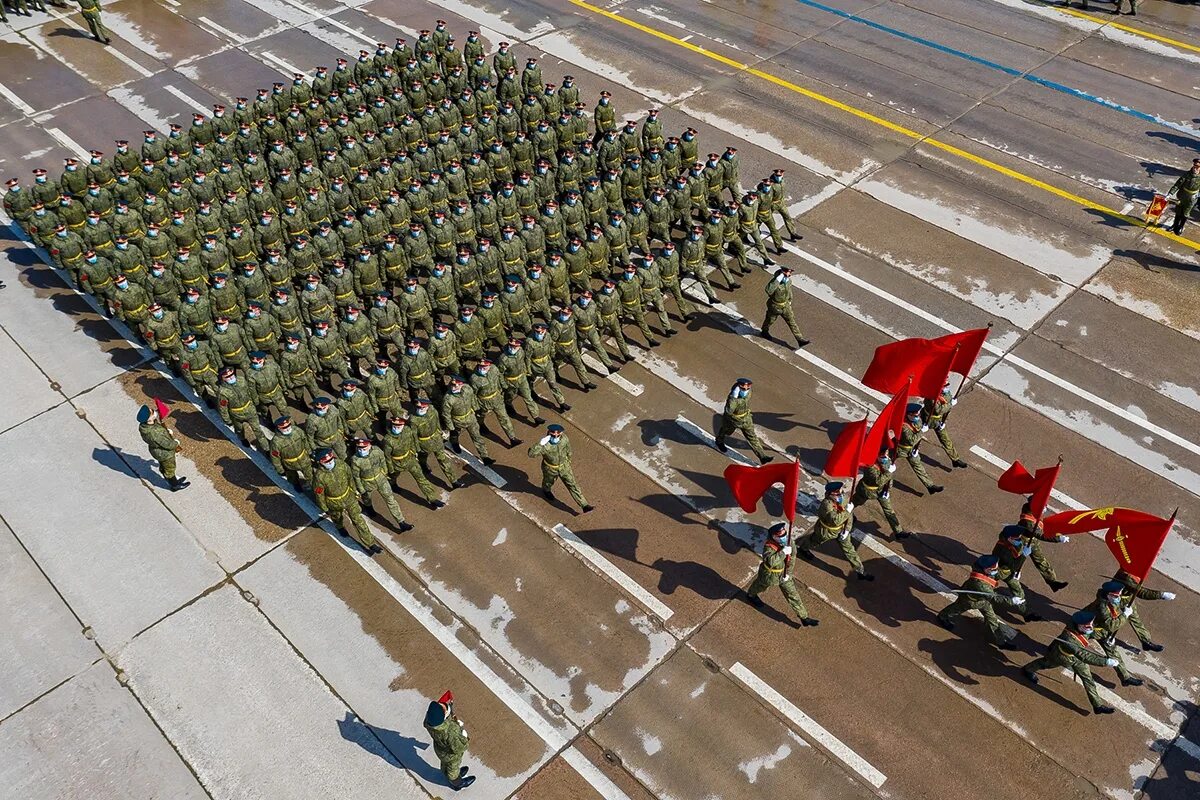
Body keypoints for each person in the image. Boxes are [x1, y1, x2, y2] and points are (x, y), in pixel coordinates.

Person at [1023, 609, 1118, 716]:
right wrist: (1106, 662)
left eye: (1091, 624)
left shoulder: (1082, 628)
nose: (1091, 627)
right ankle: (1027, 669)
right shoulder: (1069, 638)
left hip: (1076, 659)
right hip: (1062, 656)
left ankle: (1098, 706)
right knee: (1045, 664)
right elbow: (1084, 655)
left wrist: (1108, 637)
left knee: (1088, 679)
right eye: (1088, 626)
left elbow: (1095, 632)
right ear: (1080, 626)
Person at [936, 554, 1023, 648]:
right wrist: (1012, 601)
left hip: (982, 601)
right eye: (993, 569)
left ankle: (1001, 642)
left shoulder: (986, 571)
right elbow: (994, 597)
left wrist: (1012, 572)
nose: (996, 571)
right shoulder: (979, 584)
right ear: (987, 569)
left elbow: (1000, 574)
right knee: (957, 608)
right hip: (971, 600)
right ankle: (942, 616)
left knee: (992, 619)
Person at [745, 521, 819, 627]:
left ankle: (804, 617)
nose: (784, 537)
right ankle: (751, 595)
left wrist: (788, 573)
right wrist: (783, 552)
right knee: (760, 586)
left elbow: (792, 558)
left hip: (784, 574)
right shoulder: (769, 547)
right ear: (773, 537)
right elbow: (770, 561)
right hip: (769, 574)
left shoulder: (789, 543)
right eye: (780, 536)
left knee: (793, 595)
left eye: (784, 535)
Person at [796, 481, 872, 580]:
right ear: (831, 494)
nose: (840, 494)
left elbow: (849, 516)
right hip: (826, 531)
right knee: (814, 541)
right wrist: (847, 511)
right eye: (837, 493)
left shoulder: (843, 499)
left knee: (850, 551)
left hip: (841, 530)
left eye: (840, 492)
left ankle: (860, 571)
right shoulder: (826, 505)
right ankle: (803, 548)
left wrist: (847, 530)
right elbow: (835, 520)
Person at [313, 448, 379, 553]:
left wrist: (353, 491)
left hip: (349, 498)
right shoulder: (319, 477)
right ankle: (340, 527)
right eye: (327, 462)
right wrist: (325, 508)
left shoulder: (341, 465)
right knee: (337, 517)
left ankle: (371, 543)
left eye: (331, 460)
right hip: (333, 503)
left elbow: (350, 477)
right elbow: (319, 494)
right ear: (320, 462)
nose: (330, 462)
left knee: (358, 520)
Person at [1085, 581, 1143, 687]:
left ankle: (1125, 678)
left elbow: (1112, 619)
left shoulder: (1111, 601)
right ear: (1109, 595)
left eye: (1119, 595)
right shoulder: (1101, 606)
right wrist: (1125, 615)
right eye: (1116, 596)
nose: (1119, 597)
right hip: (1089, 629)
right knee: (1074, 646)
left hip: (1103, 630)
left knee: (1114, 653)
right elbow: (1112, 625)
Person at [527, 423, 593, 512]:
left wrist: (568, 462)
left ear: (561, 433)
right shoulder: (545, 445)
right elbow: (531, 454)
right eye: (553, 432)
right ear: (549, 432)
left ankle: (584, 505)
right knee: (548, 482)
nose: (555, 434)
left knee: (572, 485)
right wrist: (540, 444)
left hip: (564, 467)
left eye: (558, 433)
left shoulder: (564, 439)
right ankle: (546, 490)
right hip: (550, 468)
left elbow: (568, 451)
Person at [1111, 568, 1175, 652]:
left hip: (1126, 597)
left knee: (1135, 619)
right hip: (1114, 598)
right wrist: (1162, 595)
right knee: (1111, 618)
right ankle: (1104, 635)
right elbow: (1141, 592)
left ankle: (1146, 642)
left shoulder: (1135, 568)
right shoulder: (1126, 576)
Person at [424, 691, 476, 791]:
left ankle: (446, 774)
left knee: (444, 765)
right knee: (453, 769)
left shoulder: (429, 722)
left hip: (440, 750)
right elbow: (460, 748)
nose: (443, 705)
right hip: (451, 756)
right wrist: (464, 738)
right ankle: (458, 783)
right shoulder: (451, 731)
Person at [714, 377, 773, 465]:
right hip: (732, 420)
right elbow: (729, 411)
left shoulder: (748, 392)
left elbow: (747, 393)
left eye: (747, 388)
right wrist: (734, 397)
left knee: (752, 437)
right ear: (738, 387)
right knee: (725, 431)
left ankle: (762, 457)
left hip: (746, 419)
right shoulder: (732, 399)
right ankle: (719, 441)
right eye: (743, 388)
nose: (745, 390)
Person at [136, 400, 189, 491]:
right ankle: (174, 485)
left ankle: (173, 480)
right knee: (170, 468)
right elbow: (167, 444)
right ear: (149, 419)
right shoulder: (153, 433)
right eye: (152, 412)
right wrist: (176, 443)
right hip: (164, 453)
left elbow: (159, 432)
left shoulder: (146, 425)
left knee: (165, 467)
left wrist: (166, 432)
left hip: (159, 452)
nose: (154, 411)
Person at [852, 450, 905, 538]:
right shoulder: (870, 466)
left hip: (882, 491)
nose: (886, 456)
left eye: (887, 453)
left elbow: (889, 479)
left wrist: (888, 489)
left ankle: (898, 532)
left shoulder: (887, 460)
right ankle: (845, 516)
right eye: (883, 454)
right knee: (853, 504)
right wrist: (889, 472)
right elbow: (878, 481)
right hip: (867, 491)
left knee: (889, 510)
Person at [895, 402, 943, 495]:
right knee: (885, 464)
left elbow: (917, 438)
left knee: (918, 467)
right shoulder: (904, 426)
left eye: (918, 414)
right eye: (915, 415)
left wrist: (917, 448)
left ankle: (930, 486)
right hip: (900, 449)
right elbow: (911, 440)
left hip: (912, 450)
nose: (917, 417)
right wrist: (921, 432)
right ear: (909, 415)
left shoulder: (918, 420)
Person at [760, 265, 808, 348]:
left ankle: (800, 339)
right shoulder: (775, 281)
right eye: (789, 272)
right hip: (775, 306)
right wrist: (779, 279)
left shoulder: (788, 281)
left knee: (792, 322)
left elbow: (789, 291)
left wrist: (789, 301)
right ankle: (764, 331)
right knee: (770, 320)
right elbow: (769, 290)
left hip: (785, 306)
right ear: (783, 272)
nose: (790, 274)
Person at [922, 383, 967, 469]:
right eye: (945, 386)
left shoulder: (945, 393)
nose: (947, 388)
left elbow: (947, 401)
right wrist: (950, 404)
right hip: (926, 420)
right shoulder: (932, 397)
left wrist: (944, 419)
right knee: (913, 437)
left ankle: (955, 459)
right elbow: (938, 410)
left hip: (938, 421)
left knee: (946, 439)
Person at [1167, 158, 1199, 236]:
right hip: (1182, 195)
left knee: (1185, 213)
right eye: (1194, 166)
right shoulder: (1187, 174)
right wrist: (1170, 193)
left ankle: (1181, 226)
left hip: (1192, 198)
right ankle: (1175, 225)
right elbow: (1178, 184)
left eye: (1197, 167)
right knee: (1178, 211)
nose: (1195, 168)